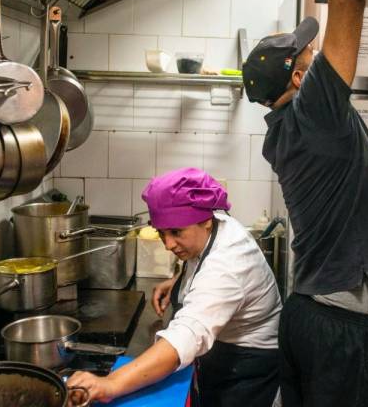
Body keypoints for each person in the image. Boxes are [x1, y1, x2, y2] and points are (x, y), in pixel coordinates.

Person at [242, 0, 368, 406]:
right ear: (296, 78)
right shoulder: (315, 114)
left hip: (312, 317)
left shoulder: (288, 129)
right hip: (341, 330)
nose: (315, 57)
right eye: (307, 55)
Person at [67, 168, 282, 407]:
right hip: (222, 355)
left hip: (246, 369)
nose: (168, 244)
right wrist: (180, 280)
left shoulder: (228, 266)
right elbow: (201, 260)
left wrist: (110, 384)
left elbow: (185, 336)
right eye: (161, 233)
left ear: (206, 222)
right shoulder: (213, 225)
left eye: (176, 232)